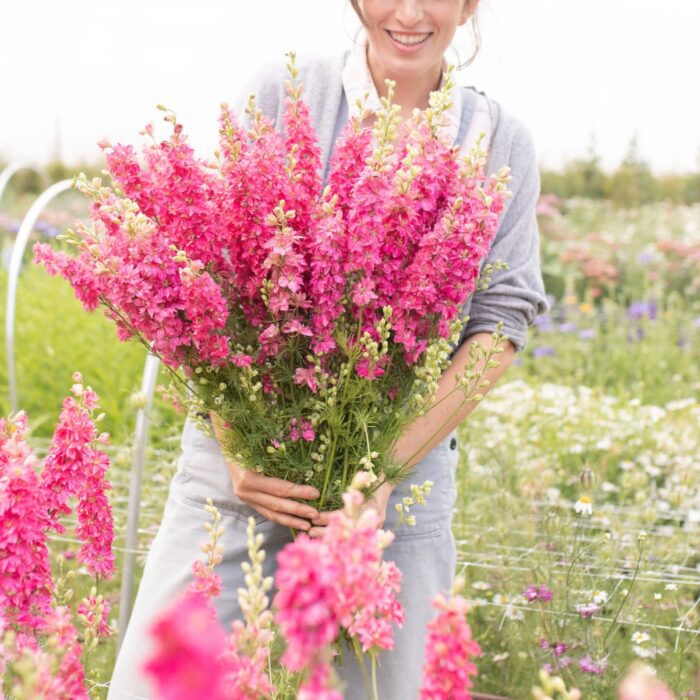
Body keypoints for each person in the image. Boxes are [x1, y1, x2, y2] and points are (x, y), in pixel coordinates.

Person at [108, 1, 547, 698]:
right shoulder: (285, 94)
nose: (408, 12)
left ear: (468, 5)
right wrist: (239, 447)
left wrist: (380, 471)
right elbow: (205, 274)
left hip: (391, 505)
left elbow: (504, 319)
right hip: (239, 486)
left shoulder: (499, 143)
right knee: (158, 687)